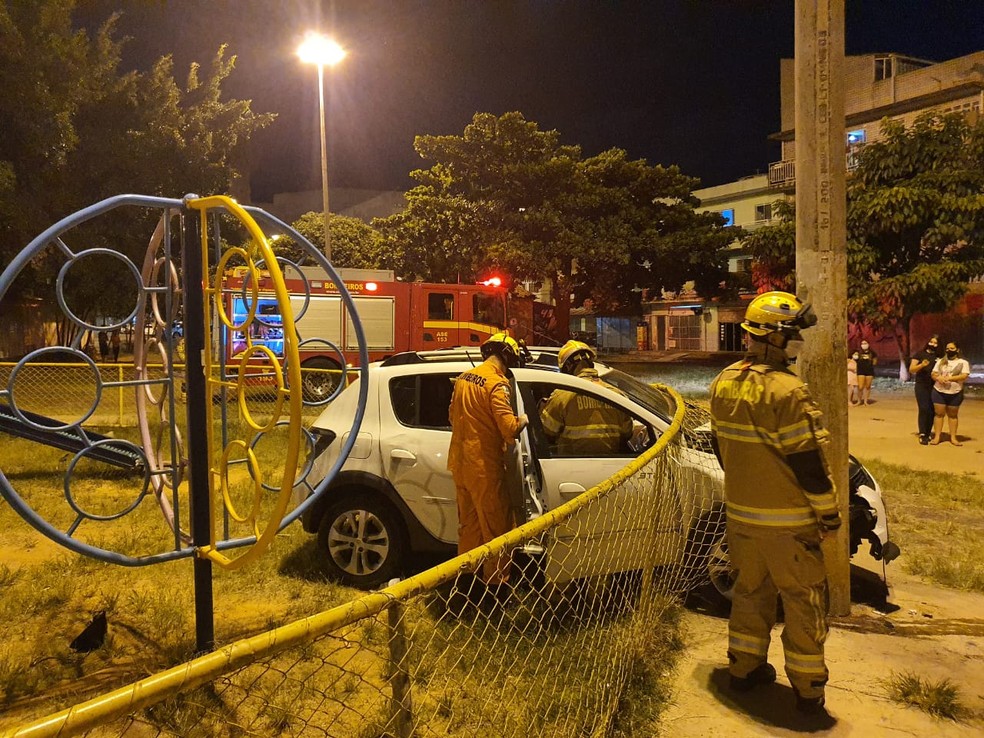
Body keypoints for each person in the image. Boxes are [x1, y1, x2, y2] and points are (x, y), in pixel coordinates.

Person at [709, 291, 841, 715]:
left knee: (750, 592)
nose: (798, 341)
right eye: (794, 334)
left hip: (741, 516)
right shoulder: (788, 392)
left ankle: (743, 670)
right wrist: (830, 513)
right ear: (773, 337)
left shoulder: (724, 381)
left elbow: (720, 448)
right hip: (788, 523)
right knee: (804, 600)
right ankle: (808, 689)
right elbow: (808, 465)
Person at [447, 332, 529, 587]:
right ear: (506, 355)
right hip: (485, 467)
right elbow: (509, 428)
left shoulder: (463, 379)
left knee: (469, 528)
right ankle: (496, 589)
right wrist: (524, 419)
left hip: (460, 464)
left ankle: (464, 586)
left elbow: (452, 417)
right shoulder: (496, 383)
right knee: (497, 530)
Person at [540, 340, 633, 455]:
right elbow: (627, 433)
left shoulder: (561, 396)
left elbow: (546, 432)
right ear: (591, 363)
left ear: (567, 367)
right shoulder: (616, 395)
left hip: (570, 467)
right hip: (613, 467)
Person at [930, 340, 971, 446]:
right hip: (939, 392)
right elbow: (934, 373)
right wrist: (938, 378)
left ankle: (953, 438)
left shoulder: (963, 363)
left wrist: (950, 378)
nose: (949, 350)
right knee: (939, 415)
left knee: (953, 416)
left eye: (952, 348)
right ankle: (937, 437)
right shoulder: (940, 361)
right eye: (947, 348)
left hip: (955, 393)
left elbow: (964, 375)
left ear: (957, 350)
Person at [909, 335, 939, 445]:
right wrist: (922, 365)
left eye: (936, 343)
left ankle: (928, 433)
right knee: (924, 408)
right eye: (931, 341)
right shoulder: (920, 354)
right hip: (921, 385)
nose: (933, 344)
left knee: (932, 410)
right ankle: (922, 433)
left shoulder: (939, 356)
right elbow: (912, 369)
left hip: (935, 386)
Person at [855, 340, 877, 405]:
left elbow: (875, 362)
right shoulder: (858, 352)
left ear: (868, 344)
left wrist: (871, 362)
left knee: (867, 386)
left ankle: (865, 401)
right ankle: (859, 400)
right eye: (862, 343)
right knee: (860, 387)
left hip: (869, 371)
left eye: (865, 343)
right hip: (860, 371)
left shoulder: (872, 353)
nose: (864, 345)